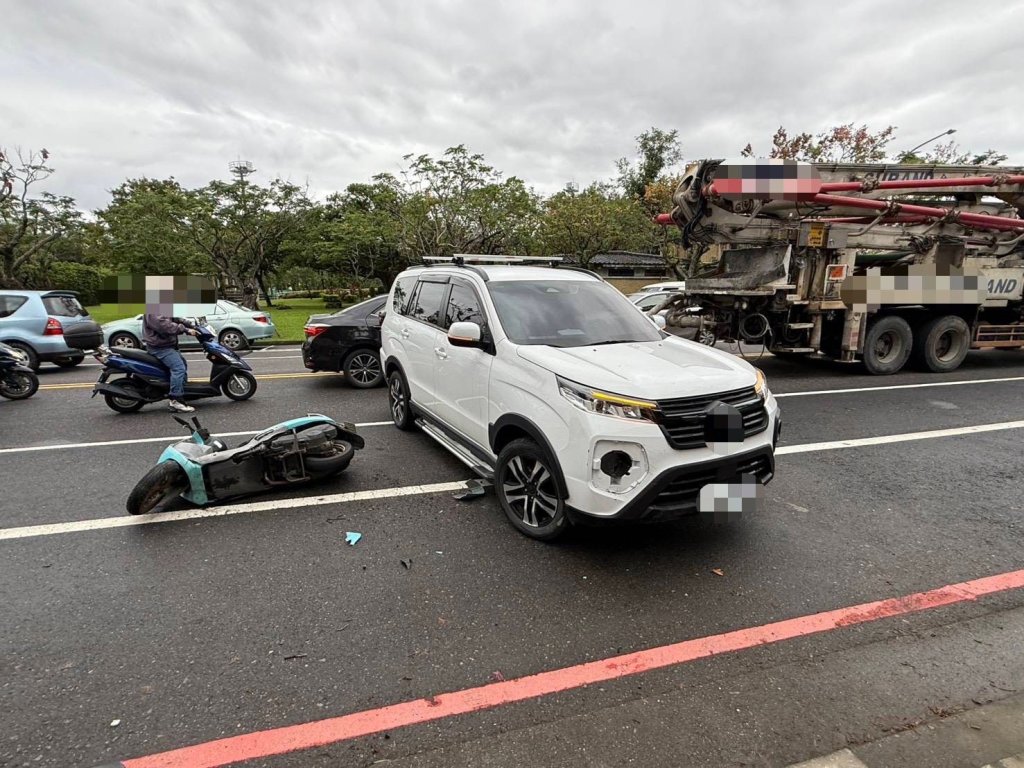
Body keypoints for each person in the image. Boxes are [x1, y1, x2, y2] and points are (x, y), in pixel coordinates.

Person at [143, 313, 198, 413]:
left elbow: (174, 318)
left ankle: (181, 391)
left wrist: (188, 323)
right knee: (178, 368)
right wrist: (185, 329)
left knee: (183, 364)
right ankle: (176, 400)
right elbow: (164, 326)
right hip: (160, 348)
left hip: (166, 345)